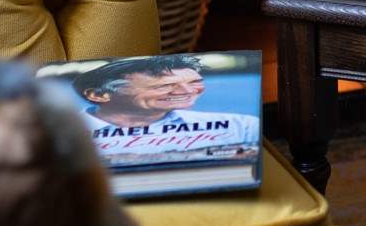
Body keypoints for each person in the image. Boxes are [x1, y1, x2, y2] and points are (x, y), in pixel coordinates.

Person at [69, 54, 259, 163]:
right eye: (164, 86)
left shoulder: (242, 127)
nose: (187, 91)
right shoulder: (52, 137)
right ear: (98, 95)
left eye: (195, 82)